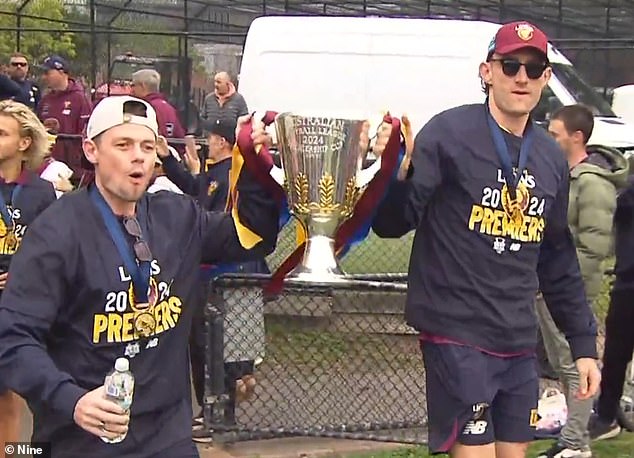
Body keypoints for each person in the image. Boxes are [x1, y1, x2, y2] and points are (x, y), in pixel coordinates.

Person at [0, 95, 279, 458]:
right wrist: (72, 399)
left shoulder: (177, 218)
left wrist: (257, 165)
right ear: (91, 150)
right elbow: (12, 338)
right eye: (123, 144)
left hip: (167, 438)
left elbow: (253, 237)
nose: (138, 156)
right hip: (81, 439)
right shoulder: (56, 231)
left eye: (147, 146)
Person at [371, 21, 601, 458]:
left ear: (546, 79)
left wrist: (583, 346)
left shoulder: (550, 157)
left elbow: (557, 258)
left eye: (533, 70)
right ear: (487, 71)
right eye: (510, 65)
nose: (521, 77)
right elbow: (393, 223)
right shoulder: (448, 133)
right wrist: (397, 175)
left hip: (517, 338)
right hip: (456, 333)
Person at [159, 118, 268, 441]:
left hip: (228, 274)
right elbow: (195, 188)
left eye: (211, 137)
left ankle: (222, 415)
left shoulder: (232, 174)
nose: (207, 143)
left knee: (224, 348)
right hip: (206, 274)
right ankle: (209, 411)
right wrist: (168, 158)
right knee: (203, 346)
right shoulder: (213, 174)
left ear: (222, 142)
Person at [534, 104, 628, 458]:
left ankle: (575, 441)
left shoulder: (591, 184)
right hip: (548, 288)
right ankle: (572, 435)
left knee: (576, 366)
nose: (549, 139)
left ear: (577, 137)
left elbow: (593, 245)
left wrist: (574, 296)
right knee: (562, 364)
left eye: (555, 134)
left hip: (569, 293)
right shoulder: (563, 176)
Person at [0, 99, 56, 451]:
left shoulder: (41, 192)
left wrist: (23, 276)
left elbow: (52, 251)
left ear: (23, 143)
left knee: (10, 396)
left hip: (20, 305)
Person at [587, 175, 634, 442]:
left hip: (628, 281)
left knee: (617, 355)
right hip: (628, 282)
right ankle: (607, 415)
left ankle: (607, 414)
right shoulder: (626, 195)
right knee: (616, 355)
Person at [37, 55, 93, 185]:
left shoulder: (79, 99)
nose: (44, 77)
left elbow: (86, 131)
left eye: (47, 72)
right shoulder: (46, 100)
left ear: (61, 72)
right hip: (48, 165)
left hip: (74, 169)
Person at [131, 69, 185, 140]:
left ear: (143, 85)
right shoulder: (169, 108)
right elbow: (180, 137)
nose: (132, 89)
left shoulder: (144, 108)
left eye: (133, 85)